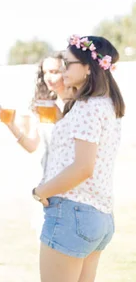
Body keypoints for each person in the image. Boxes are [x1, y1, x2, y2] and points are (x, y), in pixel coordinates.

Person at [32, 35, 124, 282]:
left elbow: (83, 167)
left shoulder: (88, 106)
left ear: (88, 67)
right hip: (100, 216)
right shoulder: (108, 105)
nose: (63, 69)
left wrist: (41, 191)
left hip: (72, 213)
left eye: (68, 63)